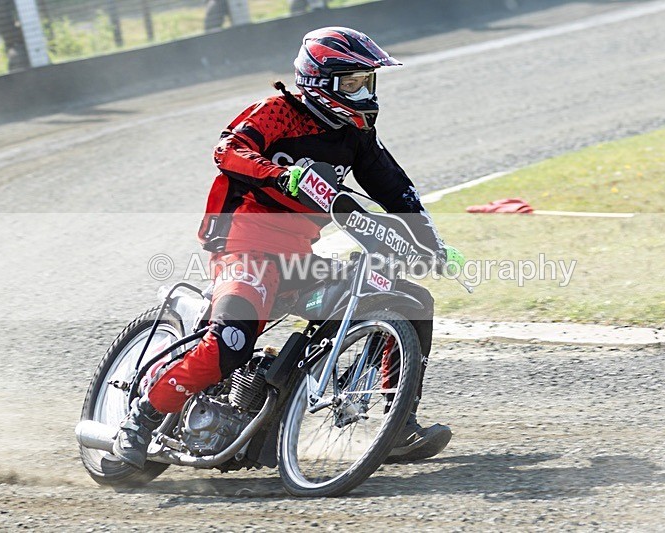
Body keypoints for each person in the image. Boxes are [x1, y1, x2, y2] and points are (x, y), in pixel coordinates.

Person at [113, 27, 466, 469]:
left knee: (411, 300)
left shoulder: (356, 135)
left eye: (367, 81)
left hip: (298, 261)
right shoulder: (279, 112)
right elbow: (228, 149)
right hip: (243, 247)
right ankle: (141, 419)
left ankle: (396, 424)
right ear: (320, 82)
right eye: (352, 82)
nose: (363, 92)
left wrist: (434, 244)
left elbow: (398, 192)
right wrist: (277, 174)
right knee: (231, 341)